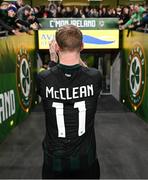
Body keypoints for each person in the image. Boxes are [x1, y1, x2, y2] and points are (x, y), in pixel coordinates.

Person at [37, 25, 102, 179]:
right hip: (86, 161)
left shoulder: (44, 78)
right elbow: (83, 72)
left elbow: (51, 75)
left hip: (55, 162)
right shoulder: (95, 76)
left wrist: (53, 60)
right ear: (82, 46)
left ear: (57, 47)